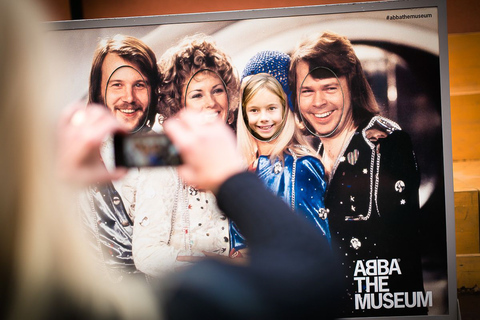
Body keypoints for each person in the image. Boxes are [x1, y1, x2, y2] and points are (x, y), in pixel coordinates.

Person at [290, 31, 426, 317]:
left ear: (351, 85)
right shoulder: (311, 159)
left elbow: (401, 259)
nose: (318, 102)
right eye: (307, 91)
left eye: (329, 88)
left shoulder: (385, 142)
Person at [132, 34, 240, 278]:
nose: (211, 103)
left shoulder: (239, 156)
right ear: (178, 107)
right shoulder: (161, 156)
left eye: (217, 91)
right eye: (197, 95)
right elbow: (146, 254)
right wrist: (216, 267)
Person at [78, 34, 160, 281]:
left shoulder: (166, 151)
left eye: (140, 84)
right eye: (117, 85)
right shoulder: (75, 158)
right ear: (98, 91)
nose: (129, 98)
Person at [231, 71, 330, 257]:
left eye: (271, 108)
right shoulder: (245, 169)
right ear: (244, 115)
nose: (263, 118)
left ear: (285, 110)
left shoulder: (301, 167)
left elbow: (316, 247)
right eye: (254, 110)